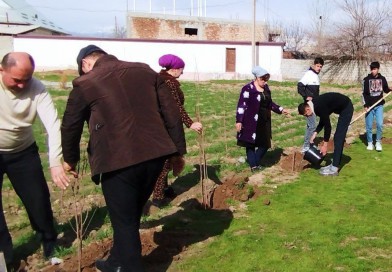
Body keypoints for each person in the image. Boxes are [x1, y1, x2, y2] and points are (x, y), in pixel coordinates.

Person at [61, 45, 186, 272]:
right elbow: (172, 114)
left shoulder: (85, 83)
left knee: (125, 220)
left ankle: (129, 266)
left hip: (117, 161)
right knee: (129, 214)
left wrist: (69, 159)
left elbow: (70, 125)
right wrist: (177, 152)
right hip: (155, 155)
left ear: (85, 64)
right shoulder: (145, 71)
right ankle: (115, 262)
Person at [0, 52, 69, 264]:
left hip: (23, 152)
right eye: (16, 80)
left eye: (26, 79)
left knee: (38, 199)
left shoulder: (37, 88)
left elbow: (53, 124)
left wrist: (55, 162)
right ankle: (5, 254)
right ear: (1, 70)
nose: (22, 86)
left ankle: (49, 242)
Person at [151, 54, 203, 208]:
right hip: (167, 125)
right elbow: (175, 106)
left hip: (159, 124)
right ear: (174, 70)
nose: (182, 73)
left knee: (166, 158)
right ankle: (158, 197)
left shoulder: (158, 79)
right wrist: (190, 123)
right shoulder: (170, 83)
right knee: (166, 160)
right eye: (181, 70)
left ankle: (165, 189)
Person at [235, 66, 289, 172]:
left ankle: (254, 162)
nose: (264, 82)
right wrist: (239, 121)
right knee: (250, 144)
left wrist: (281, 109)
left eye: (266, 79)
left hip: (264, 120)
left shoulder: (266, 89)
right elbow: (241, 105)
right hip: (250, 121)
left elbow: (270, 104)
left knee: (265, 144)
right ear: (257, 78)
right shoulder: (248, 89)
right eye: (263, 79)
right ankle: (254, 167)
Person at [298, 92, 354, 176]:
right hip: (341, 108)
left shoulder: (318, 106)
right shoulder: (314, 105)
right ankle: (334, 164)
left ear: (307, 109)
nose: (307, 117)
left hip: (346, 108)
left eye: (306, 115)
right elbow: (323, 120)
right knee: (337, 138)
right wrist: (315, 133)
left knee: (338, 138)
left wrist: (325, 145)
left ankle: (335, 168)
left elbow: (328, 126)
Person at [362, 61, 391, 152]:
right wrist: (366, 105)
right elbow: (363, 94)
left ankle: (378, 142)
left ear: (378, 69)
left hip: (379, 106)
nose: (373, 71)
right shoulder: (366, 79)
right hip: (369, 107)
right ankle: (370, 142)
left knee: (379, 124)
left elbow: (385, 89)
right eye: (372, 69)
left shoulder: (382, 79)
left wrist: (390, 89)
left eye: (374, 69)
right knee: (369, 126)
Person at [297, 57, 324, 153]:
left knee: (311, 125)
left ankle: (309, 144)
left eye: (321, 67)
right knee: (312, 126)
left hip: (314, 105)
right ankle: (306, 146)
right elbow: (300, 86)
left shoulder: (315, 76)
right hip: (308, 106)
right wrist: (306, 96)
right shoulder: (309, 74)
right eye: (317, 66)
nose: (319, 68)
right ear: (314, 65)